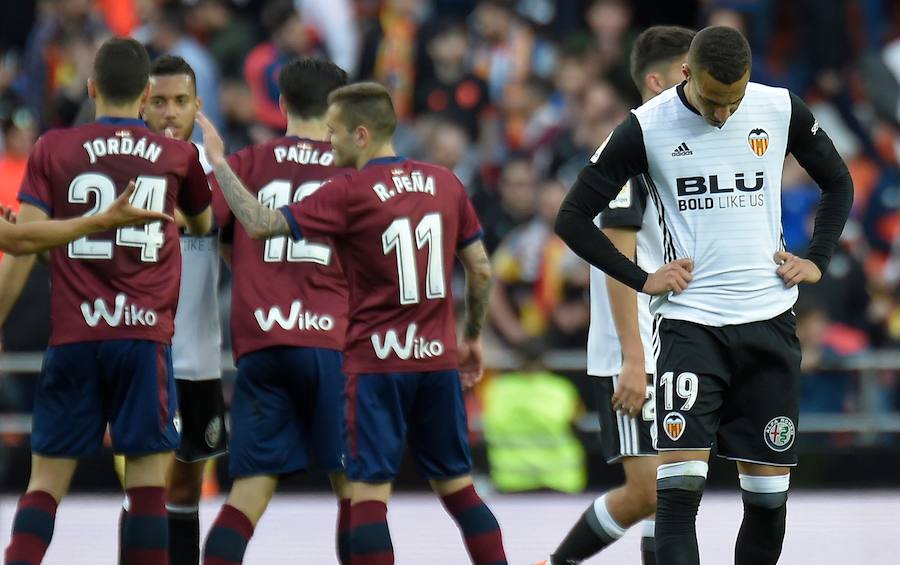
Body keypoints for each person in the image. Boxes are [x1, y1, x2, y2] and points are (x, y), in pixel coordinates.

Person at [555, 26, 854, 565]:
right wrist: (642, 278)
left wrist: (819, 258)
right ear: (686, 75)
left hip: (769, 324)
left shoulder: (779, 108)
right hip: (689, 329)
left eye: (734, 99)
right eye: (714, 101)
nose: (724, 114)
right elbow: (572, 218)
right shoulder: (646, 127)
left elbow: (839, 181)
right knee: (674, 499)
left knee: (766, 503)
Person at [196, 81, 507, 565]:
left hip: (374, 367)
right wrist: (470, 337)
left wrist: (218, 162)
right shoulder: (445, 182)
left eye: (336, 133)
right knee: (460, 491)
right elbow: (482, 269)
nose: (329, 143)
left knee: (366, 497)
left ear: (362, 134)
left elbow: (258, 223)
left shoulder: (348, 191)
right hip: (436, 361)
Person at [1, 37, 212, 565]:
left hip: (76, 334)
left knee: (46, 482)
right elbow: (202, 226)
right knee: (145, 485)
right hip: (142, 338)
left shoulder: (52, 147)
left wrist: (74, 236)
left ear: (91, 88)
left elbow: (22, 240)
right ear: (146, 95)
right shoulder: (178, 156)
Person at [541, 25, 696, 565]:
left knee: (672, 496)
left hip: (680, 339)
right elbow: (617, 256)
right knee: (649, 492)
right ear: (657, 82)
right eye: (687, 72)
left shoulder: (684, 145)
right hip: (637, 346)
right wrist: (634, 358)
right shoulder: (628, 148)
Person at [200, 57, 352, 565]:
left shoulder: (245, 163)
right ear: (339, 110)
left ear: (282, 103)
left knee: (247, 496)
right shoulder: (353, 171)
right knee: (357, 495)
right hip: (334, 346)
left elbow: (204, 230)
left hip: (262, 343)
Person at [120, 53, 226, 565]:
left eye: (180, 101)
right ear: (142, 105)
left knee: (186, 484)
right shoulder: (121, 169)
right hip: (145, 350)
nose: (169, 113)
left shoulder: (218, 170)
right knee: (145, 487)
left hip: (200, 352)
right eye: (158, 101)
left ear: (197, 106)